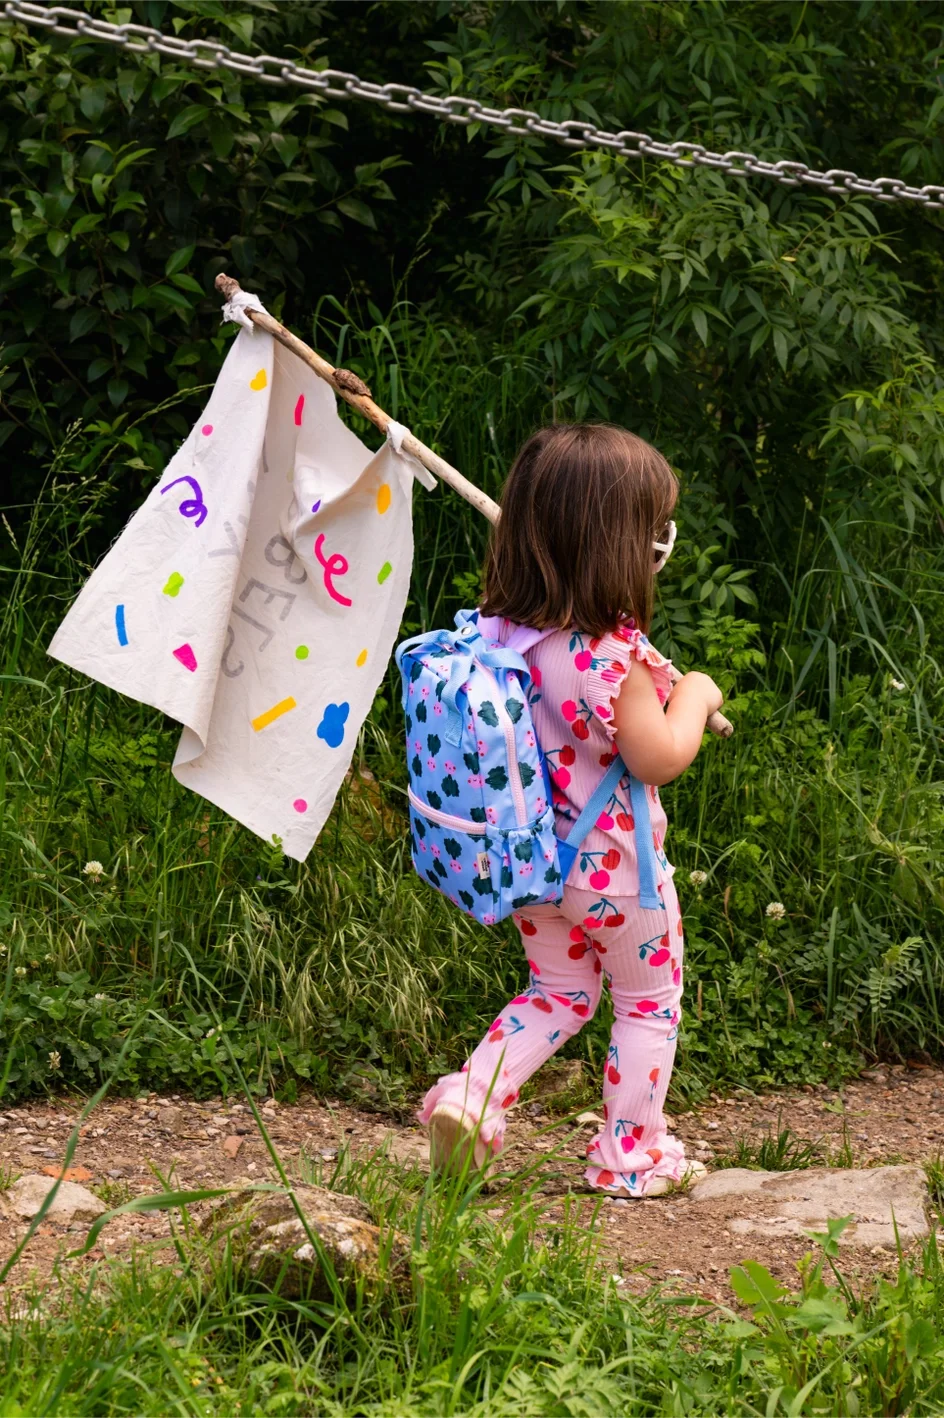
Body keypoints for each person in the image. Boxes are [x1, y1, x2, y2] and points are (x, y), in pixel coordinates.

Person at [418, 423, 724, 1198]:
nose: (661, 550)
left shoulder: (502, 635)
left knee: (559, 992)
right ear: (619, 550)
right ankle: (631, 1154)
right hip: (620, 877)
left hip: (531, 866)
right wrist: (694, 693)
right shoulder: (609, 662)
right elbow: (660, 757)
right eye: (654, 537)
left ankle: (471, 1096)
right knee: (649, 1004)